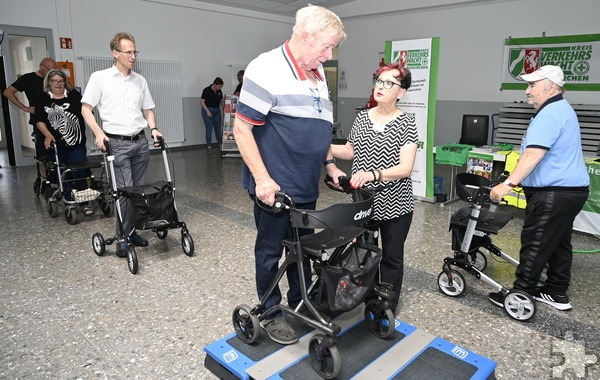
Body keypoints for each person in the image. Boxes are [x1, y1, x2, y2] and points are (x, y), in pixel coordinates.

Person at [233, 5, 346, 345]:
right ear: (304, 35)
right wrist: (263, 180)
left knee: (302, 250)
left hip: (305, 182)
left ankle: (301, 302)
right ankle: (269, 311)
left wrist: (328, 164)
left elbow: (318, 128)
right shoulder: (266, 67)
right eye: (325, 47)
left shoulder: (317, 71)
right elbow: (241, 129)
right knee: (270, 251)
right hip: (275, 186)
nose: (328, 56)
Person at [489, 65, 589, 311]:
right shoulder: (562, 109)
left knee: (535, 243)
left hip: (554, 193)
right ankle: (557, 292)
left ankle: (521, 294)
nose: (527, 91)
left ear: (551, 87)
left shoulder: (550, 114)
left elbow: (533, 154)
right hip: (571, 192)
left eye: (532, 85)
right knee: (558, 243)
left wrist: (507, 185)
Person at [326, 63, 418, 314]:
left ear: (401, 92)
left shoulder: (407, 122)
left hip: (395, 203)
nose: (381, 86)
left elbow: (406, 168)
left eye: (389, 83)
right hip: (364, 203)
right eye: (379, 80)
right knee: (363, 253)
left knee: (391, 257)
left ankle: (385, 304)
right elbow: (349, 150)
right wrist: (323, 144)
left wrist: (373, 174)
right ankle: (363, 296)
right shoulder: (363, 117)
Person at [81, 32, 163, 257]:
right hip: (116, 144)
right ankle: (122, 236)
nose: (133, 56)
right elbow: (86, 108)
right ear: (115, 53)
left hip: (140, 142)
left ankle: (133, 231)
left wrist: (153, 128)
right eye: (128, 52)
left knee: (137, 192)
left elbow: (148, 109)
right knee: (124, 193)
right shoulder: (100, 78)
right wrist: (97, 132)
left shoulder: (140, 80)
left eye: (135, 52)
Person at [35, 69, 94, 216]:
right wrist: (48, 135)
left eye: (61, 81)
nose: (58, 84)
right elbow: (39, 121)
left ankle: (84, 202)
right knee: (62, 172)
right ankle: (69, 200)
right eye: (54, 81)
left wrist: (96, 130)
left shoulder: (74, 95)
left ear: (65, 82)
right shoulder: (43, 98)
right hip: (56, 145)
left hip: (76, 143)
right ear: (48, 82)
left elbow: (87, 114)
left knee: (79, 170)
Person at [3, 57, 58, 171]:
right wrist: (25, 108)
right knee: (42, 151)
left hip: (56, 119)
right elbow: (7, 92)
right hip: (39, 120)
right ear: (41, 66)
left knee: (59, 149)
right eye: (49, 69)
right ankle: (45, 180)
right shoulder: (28, 78)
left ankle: (61, 177)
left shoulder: (55, 79)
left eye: (53, 70)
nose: (51, 73)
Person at [200, 77, 224, 153]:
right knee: (209, 129)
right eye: (219, 86)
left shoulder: (219, 91)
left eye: (221, 86)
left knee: (218, 129)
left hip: (216, 111)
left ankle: (221, 145)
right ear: (215, 84)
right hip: (207, 110)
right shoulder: (206, 90)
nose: (220, 88)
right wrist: (207, 111)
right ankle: (209, 147)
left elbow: (221, 101)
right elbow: (202, 102)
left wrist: (224, 110)